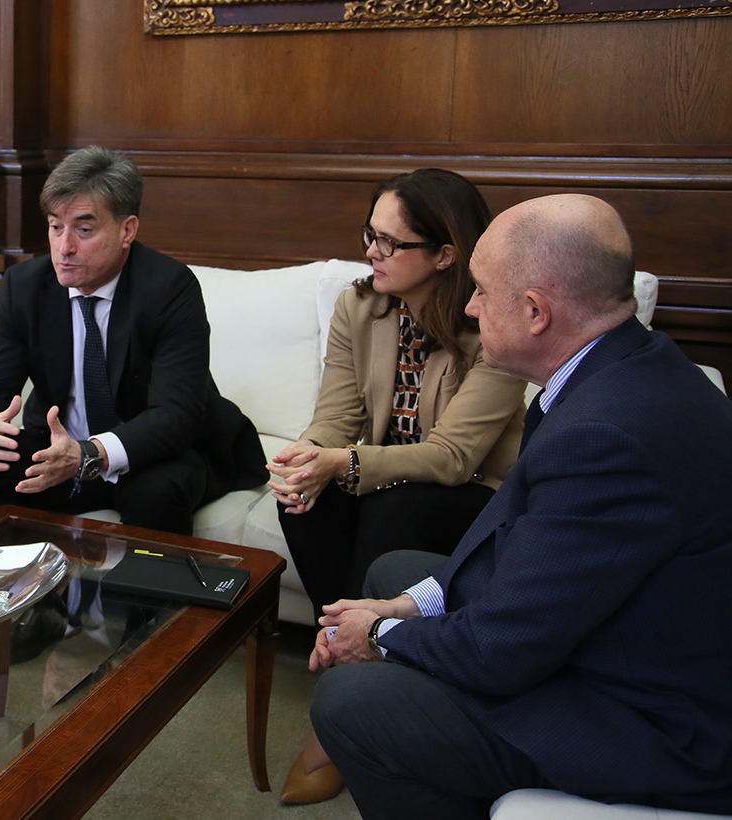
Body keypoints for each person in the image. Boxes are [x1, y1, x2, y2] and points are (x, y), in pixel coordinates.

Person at [307, 194, 732, 819]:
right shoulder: (619, 370)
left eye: (481, 291)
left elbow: (500, 650)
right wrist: (406, 608)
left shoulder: (607, 434)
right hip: (614, 635)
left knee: (350, 699)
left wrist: (376, 635)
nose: (472, 307)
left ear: (535, 311)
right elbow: (515, 534)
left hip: (653, 722)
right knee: (393, 573)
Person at [268, 170, 528, 804]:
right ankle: (355, 661)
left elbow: (451, 457)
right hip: (385, 482)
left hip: (475, 500)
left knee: (395, 505)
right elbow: (336, 417)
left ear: (445, 255)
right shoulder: (360, 306)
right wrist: (308, 457)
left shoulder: (490, 327)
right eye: (370, 235)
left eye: (391, 243)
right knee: (302, 500)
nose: (372, 253)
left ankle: (349, 699)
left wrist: (344, 464)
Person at [0, 146, 266, 535]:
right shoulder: (25, 286)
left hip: (148, 451)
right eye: (55, 227)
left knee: (159, 492)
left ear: (127, 230)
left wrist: (88, 455)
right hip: (60, 446)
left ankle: (143, 598)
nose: (64, 248)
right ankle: (17, 588)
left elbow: (175, 416)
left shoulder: (170, 288)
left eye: (84, 230)